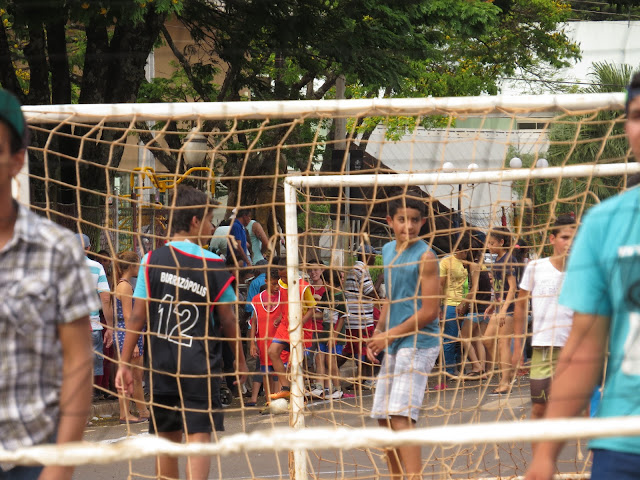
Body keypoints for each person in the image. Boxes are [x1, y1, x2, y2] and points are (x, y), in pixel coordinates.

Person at [525, 73, 640, 480]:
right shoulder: (604, 224)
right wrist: (545, 454)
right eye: (638, 115)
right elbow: (583, 347)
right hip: (623, 439)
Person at [116, 184, 247, 480]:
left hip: (162, 369)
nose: (213, 226)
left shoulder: (150, 261)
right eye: (210, 219)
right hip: (200, 369)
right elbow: (228, 320)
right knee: (199, 442)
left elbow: (137, 316)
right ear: (194, 221)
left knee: (166, 444)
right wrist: (239, 362)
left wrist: (124, 363)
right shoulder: (213, 264)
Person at [0, 89, 96, 480]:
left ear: (16, 159)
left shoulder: (58, 250)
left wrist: (60, 464)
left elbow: (79, 360)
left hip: (33, 454)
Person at [366, 195, 440, 480]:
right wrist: (378, 332)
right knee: (383, 418)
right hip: (395, 341)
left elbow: (430, 311)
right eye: (401, 219)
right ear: (390, 222)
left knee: (400, 416)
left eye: (414, 220)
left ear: (422, 222)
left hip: (419, 343)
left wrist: (390, 336)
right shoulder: (386, 250)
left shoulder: (426, 256)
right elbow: (391, 298)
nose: (407, 226)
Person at [511, 215, 576, 423]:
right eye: (565, 237)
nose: (570, 242)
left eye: (575, 238)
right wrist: (518, 346)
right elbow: (520, 306)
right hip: (543, 348)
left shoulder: (583, 270)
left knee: (581, 411)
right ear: (552, 239)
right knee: (539, 408)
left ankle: (588, 455)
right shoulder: (536, 267)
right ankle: (541, 456)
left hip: (576, 349)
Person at [267, 256, 317, 400]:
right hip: (284, 325)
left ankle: (301, 393)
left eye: (285, 276)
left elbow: (312, 309)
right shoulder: (282, 284)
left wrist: (299, 323)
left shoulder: (303, 287)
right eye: (280, 276)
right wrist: (280, 317)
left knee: (296, 362)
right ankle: (285, 387)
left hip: (301, 328)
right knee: (272, 351)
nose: (283, 279)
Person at [481, 227, 520, 395]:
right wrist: (492, 305)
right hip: (499, 307)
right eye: (488, 243)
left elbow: (512, 288)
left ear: (501, 242)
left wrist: (503, 309)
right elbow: (499, 288)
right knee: (487, 340)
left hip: (509, 309)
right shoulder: (497, 260)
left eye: (492, 243)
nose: (489, 246)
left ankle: (505, 382)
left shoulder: (508, 259)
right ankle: (507, 372)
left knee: (503, 344)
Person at [75, 233, 114, 397]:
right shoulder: (97, 267)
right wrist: (110, 327)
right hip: (92, 326)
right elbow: (105, 298)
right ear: (89, 248)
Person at [114, 250, 150, 424]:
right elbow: (128, 316)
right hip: (127, 333)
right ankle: (127, 413)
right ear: (132, 266)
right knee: (133, 375)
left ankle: (142, 410)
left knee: (135, 375)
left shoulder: (122, 284)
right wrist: (133, 342)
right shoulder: (126, 286)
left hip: (124, 332)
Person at [436, 234, 471, 389]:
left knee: (460, 339)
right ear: (457, 249)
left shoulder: (467, 262)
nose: (466, 254)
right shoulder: (445, 262)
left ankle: (457, 367)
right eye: (464, 251)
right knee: (449, 338)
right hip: (449, 305)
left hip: (464, 305)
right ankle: (449, 371)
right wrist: (439, 307)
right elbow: (440, 285)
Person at [343, 245, 381, 388]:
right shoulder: (361, 269)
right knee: (365, 349)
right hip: (360, 318)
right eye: (374, 255)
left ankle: (362, 380)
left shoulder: (355, 269)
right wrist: (381, 279)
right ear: (367, 256)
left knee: (353, 349)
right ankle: (367, 380)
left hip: (355, 316)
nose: (376, 257)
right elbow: (371, 292)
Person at [247, 265, 283, 406]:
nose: (276, 287)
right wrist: (252, 344)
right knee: (266, 373)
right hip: (263, 342)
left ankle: (278, 400)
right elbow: (253, 322)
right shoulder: (257, 299)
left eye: (278, 284)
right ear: (267, 281)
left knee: (278, 372)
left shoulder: (283, 297)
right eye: (274, 284)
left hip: (280, 342)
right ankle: (269, 401)